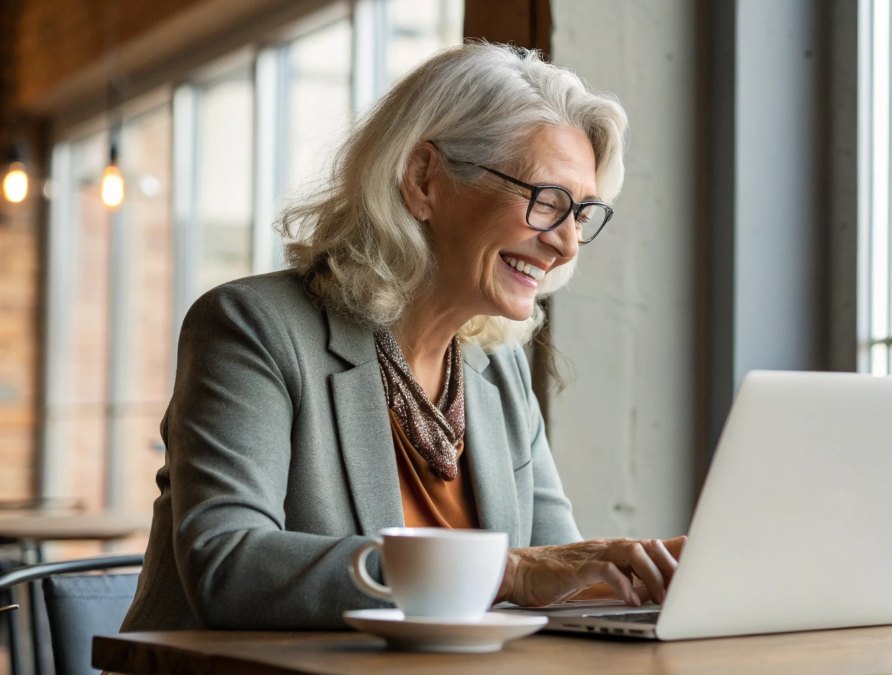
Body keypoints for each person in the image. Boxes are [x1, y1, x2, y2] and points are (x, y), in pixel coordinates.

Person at [121, 42, 684, 631]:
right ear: (423, 179)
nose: (567, 243)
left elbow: (558, 569)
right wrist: (505, 572)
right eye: (548, 201)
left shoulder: (497, 366)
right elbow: (228, 563)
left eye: (582, 213)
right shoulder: (253, 326)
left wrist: (647, 576)